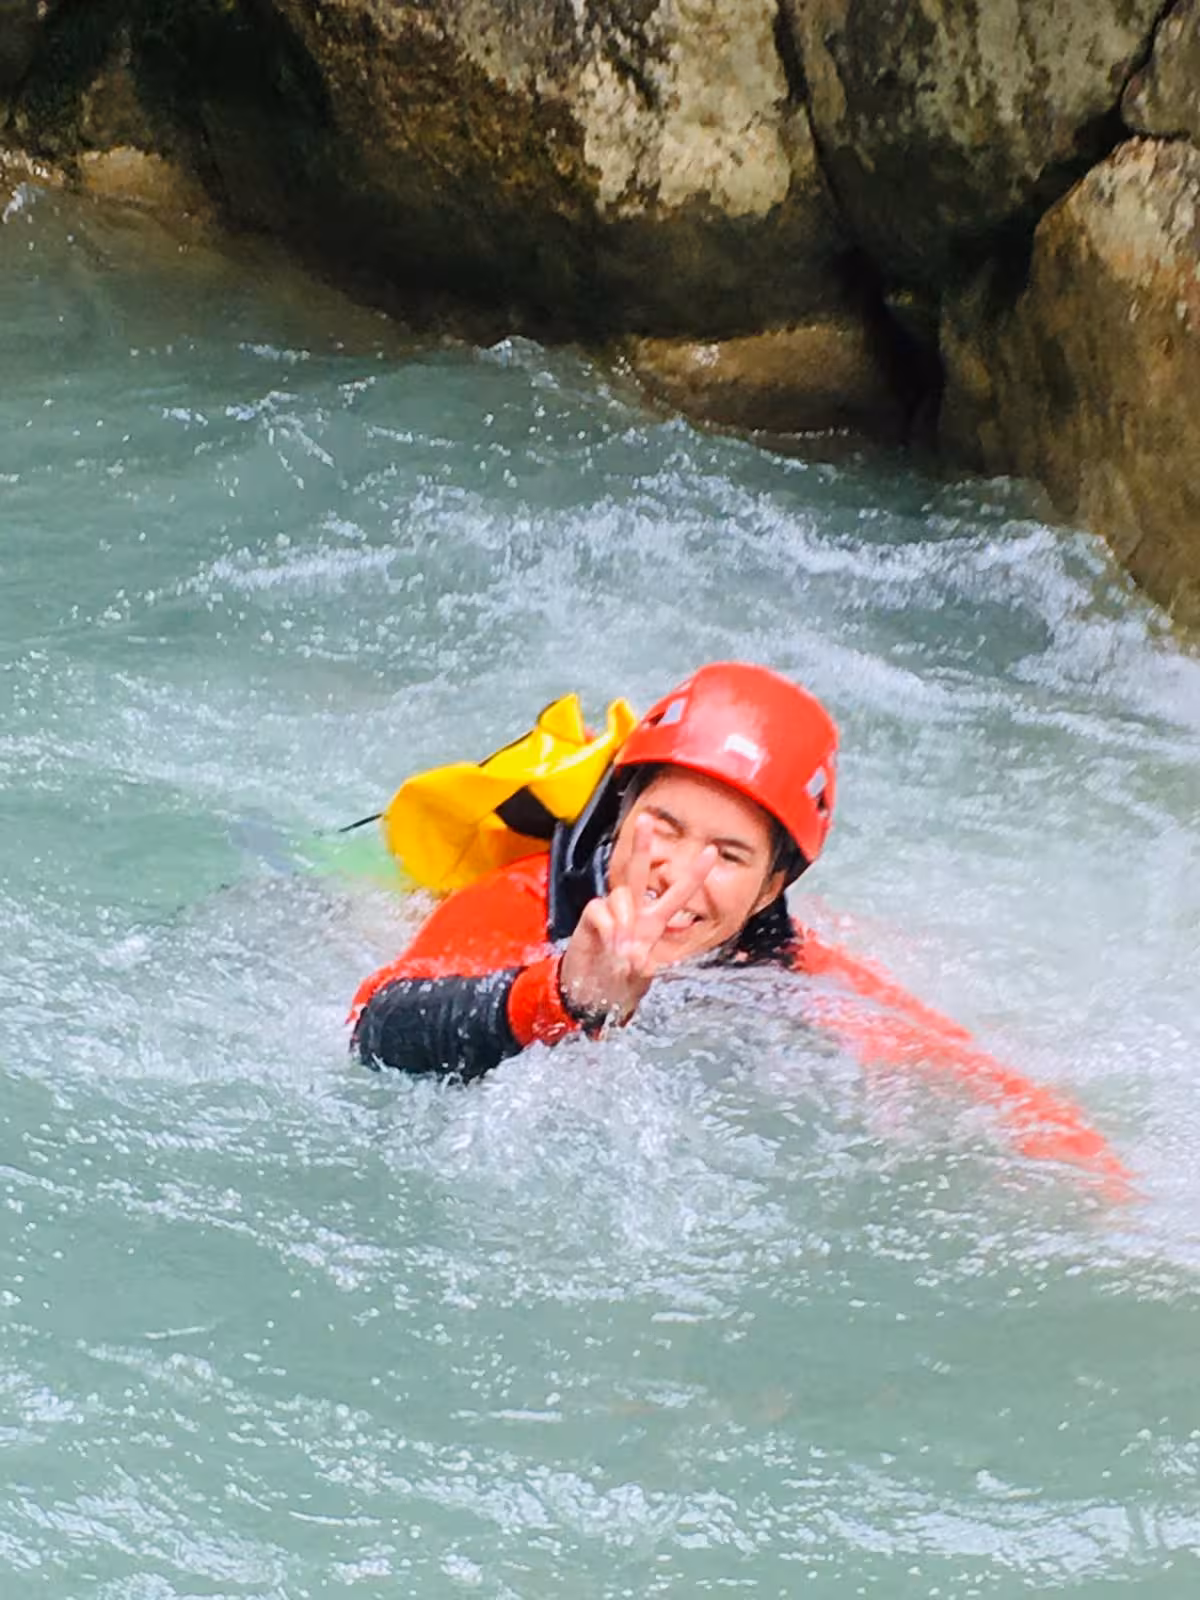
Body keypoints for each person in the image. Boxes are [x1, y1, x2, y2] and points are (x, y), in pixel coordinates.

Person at [349, 661, 1129, 1189]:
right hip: (394, 908)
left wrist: (1080, 1163)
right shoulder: (518, 901)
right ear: (622, 813)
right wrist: (562, 994)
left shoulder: (775, 957)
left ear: (770, 889)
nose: (677, 874)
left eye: (727, 854)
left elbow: (946, 1056)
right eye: (663, 826)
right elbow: (371, 1032)